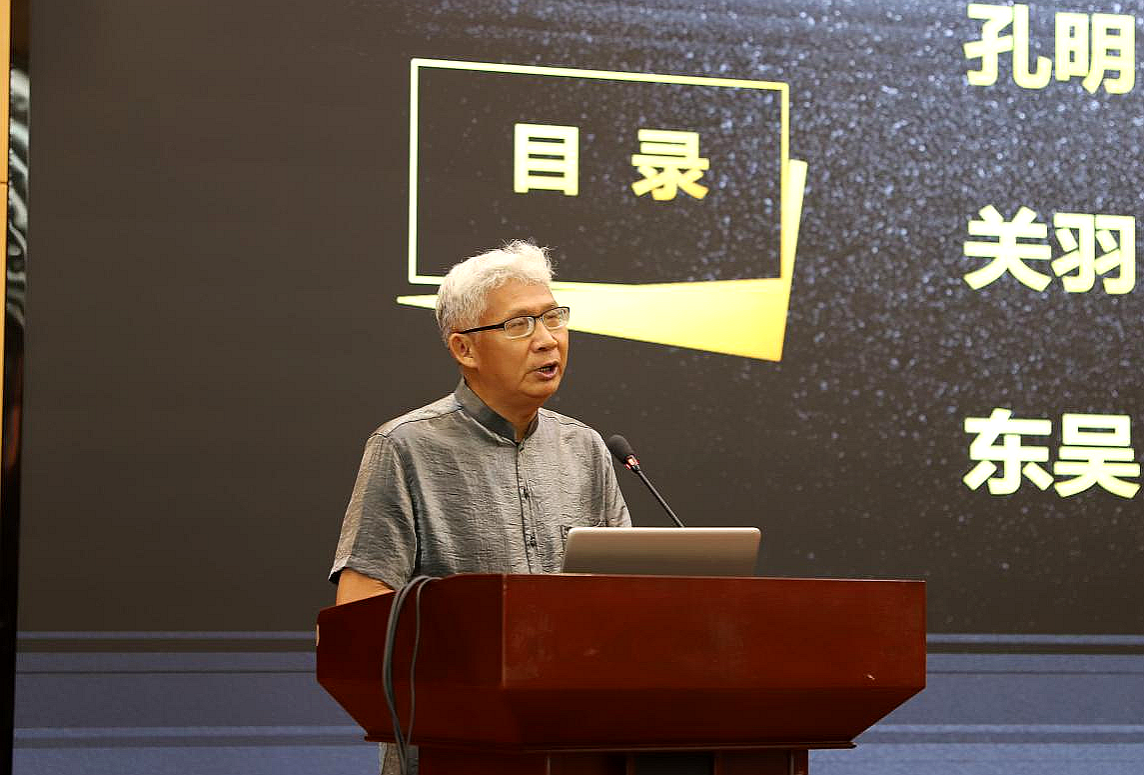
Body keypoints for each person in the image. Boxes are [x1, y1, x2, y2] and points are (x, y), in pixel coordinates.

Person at [330, 238, 631, 600]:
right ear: (465, 349)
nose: (547, 340)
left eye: (553, 318)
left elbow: (626, 584)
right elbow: (361, 598)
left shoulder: (584, 446)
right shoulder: (405, 447)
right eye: (519, 324)